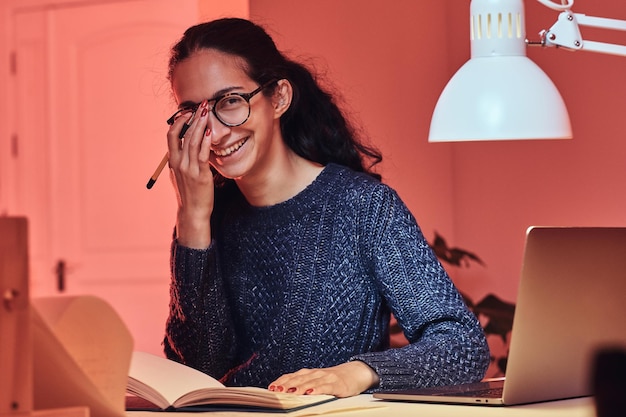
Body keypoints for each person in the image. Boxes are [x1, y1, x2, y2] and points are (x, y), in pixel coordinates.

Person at [162, 17, 490, 398]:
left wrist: (359, 373)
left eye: (230, 102)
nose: (214, 133)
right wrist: (193, 221)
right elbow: (198, 371)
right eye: (193, 113)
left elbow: (463, 346)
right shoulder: (202, 223)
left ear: (279, 98)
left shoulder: (362, 207)